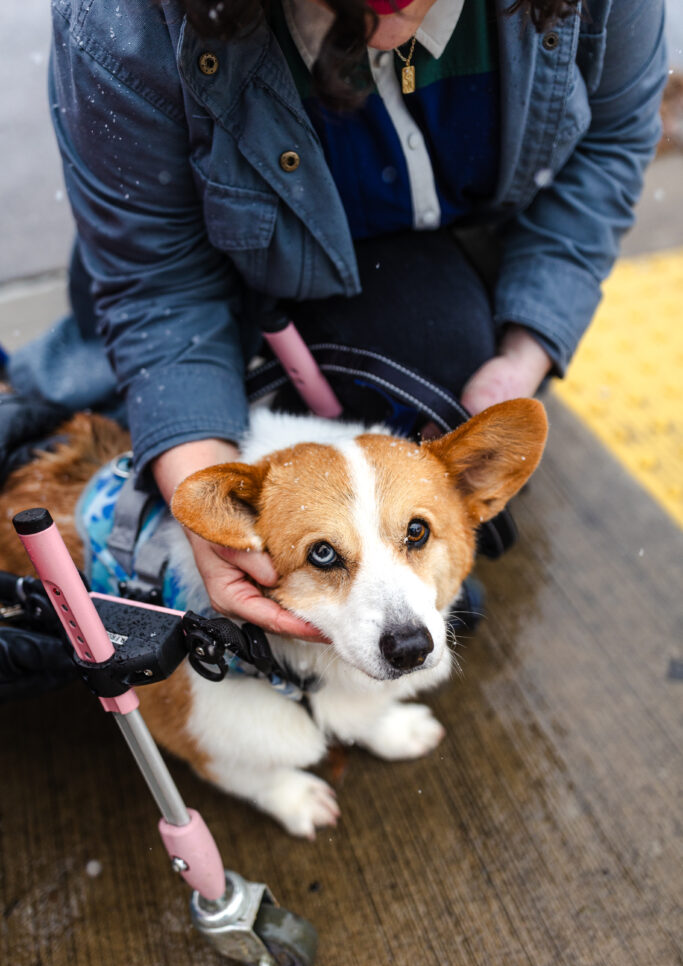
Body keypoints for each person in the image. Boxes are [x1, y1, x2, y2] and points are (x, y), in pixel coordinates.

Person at [5, 0, 667, 642]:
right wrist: (202, 493)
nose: (391, 23)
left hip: (422, 257)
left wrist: (524, 350)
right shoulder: (119, 17)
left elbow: (607, 144)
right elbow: (157, 278)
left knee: (441, 358)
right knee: (107, 423)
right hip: (229, 280)